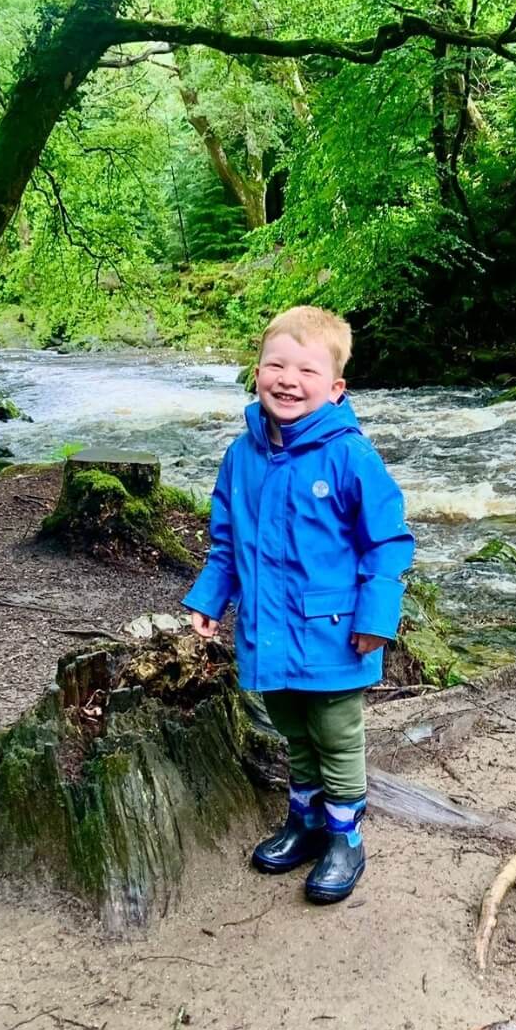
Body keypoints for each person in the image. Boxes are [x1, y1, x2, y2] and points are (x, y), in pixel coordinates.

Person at [183, 306, 414, 904]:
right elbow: (226, 540)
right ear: (256, 372)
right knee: (292, 728)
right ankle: (306, 821)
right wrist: (210, 598)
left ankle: (346, 838)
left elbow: (387, 542)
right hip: (268, 627)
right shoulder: (242, 455)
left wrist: (377, 618)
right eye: (276, 366)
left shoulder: (350, 455)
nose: (288, 380)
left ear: (335, 388)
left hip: (333, 630)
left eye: (307, 371)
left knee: (335, 733)